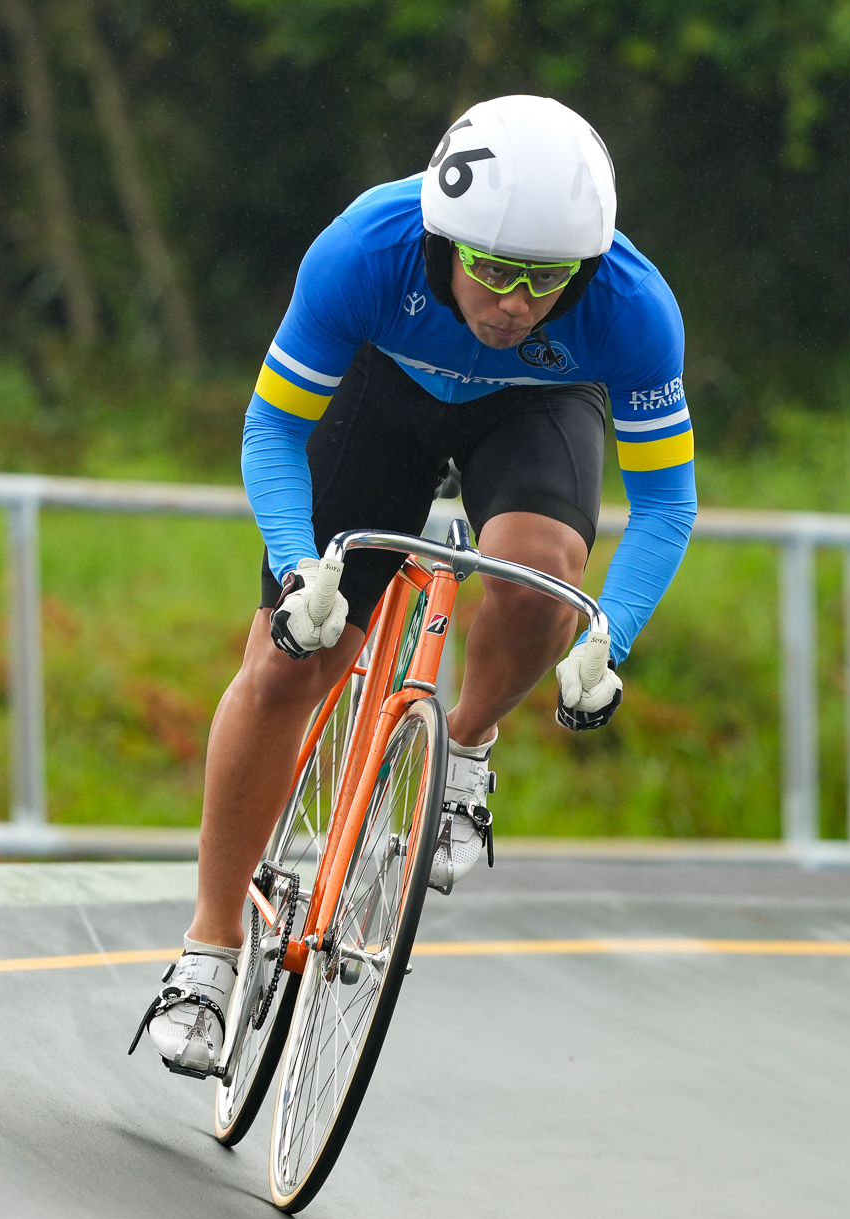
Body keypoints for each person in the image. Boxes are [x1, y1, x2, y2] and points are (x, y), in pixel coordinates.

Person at [142, 95, 697, 1074]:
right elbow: (272, 428)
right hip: (381, 392)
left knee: (538, 585)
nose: (515, 301)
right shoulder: (366, 247)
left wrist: (611, 634)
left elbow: (664, 506)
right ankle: (208, 948)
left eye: (545, 280)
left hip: (532, 408)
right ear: (446, 234)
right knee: (285, 664)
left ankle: (468, 749)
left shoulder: (630, 305)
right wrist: (301, 565)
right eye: (492, 268)